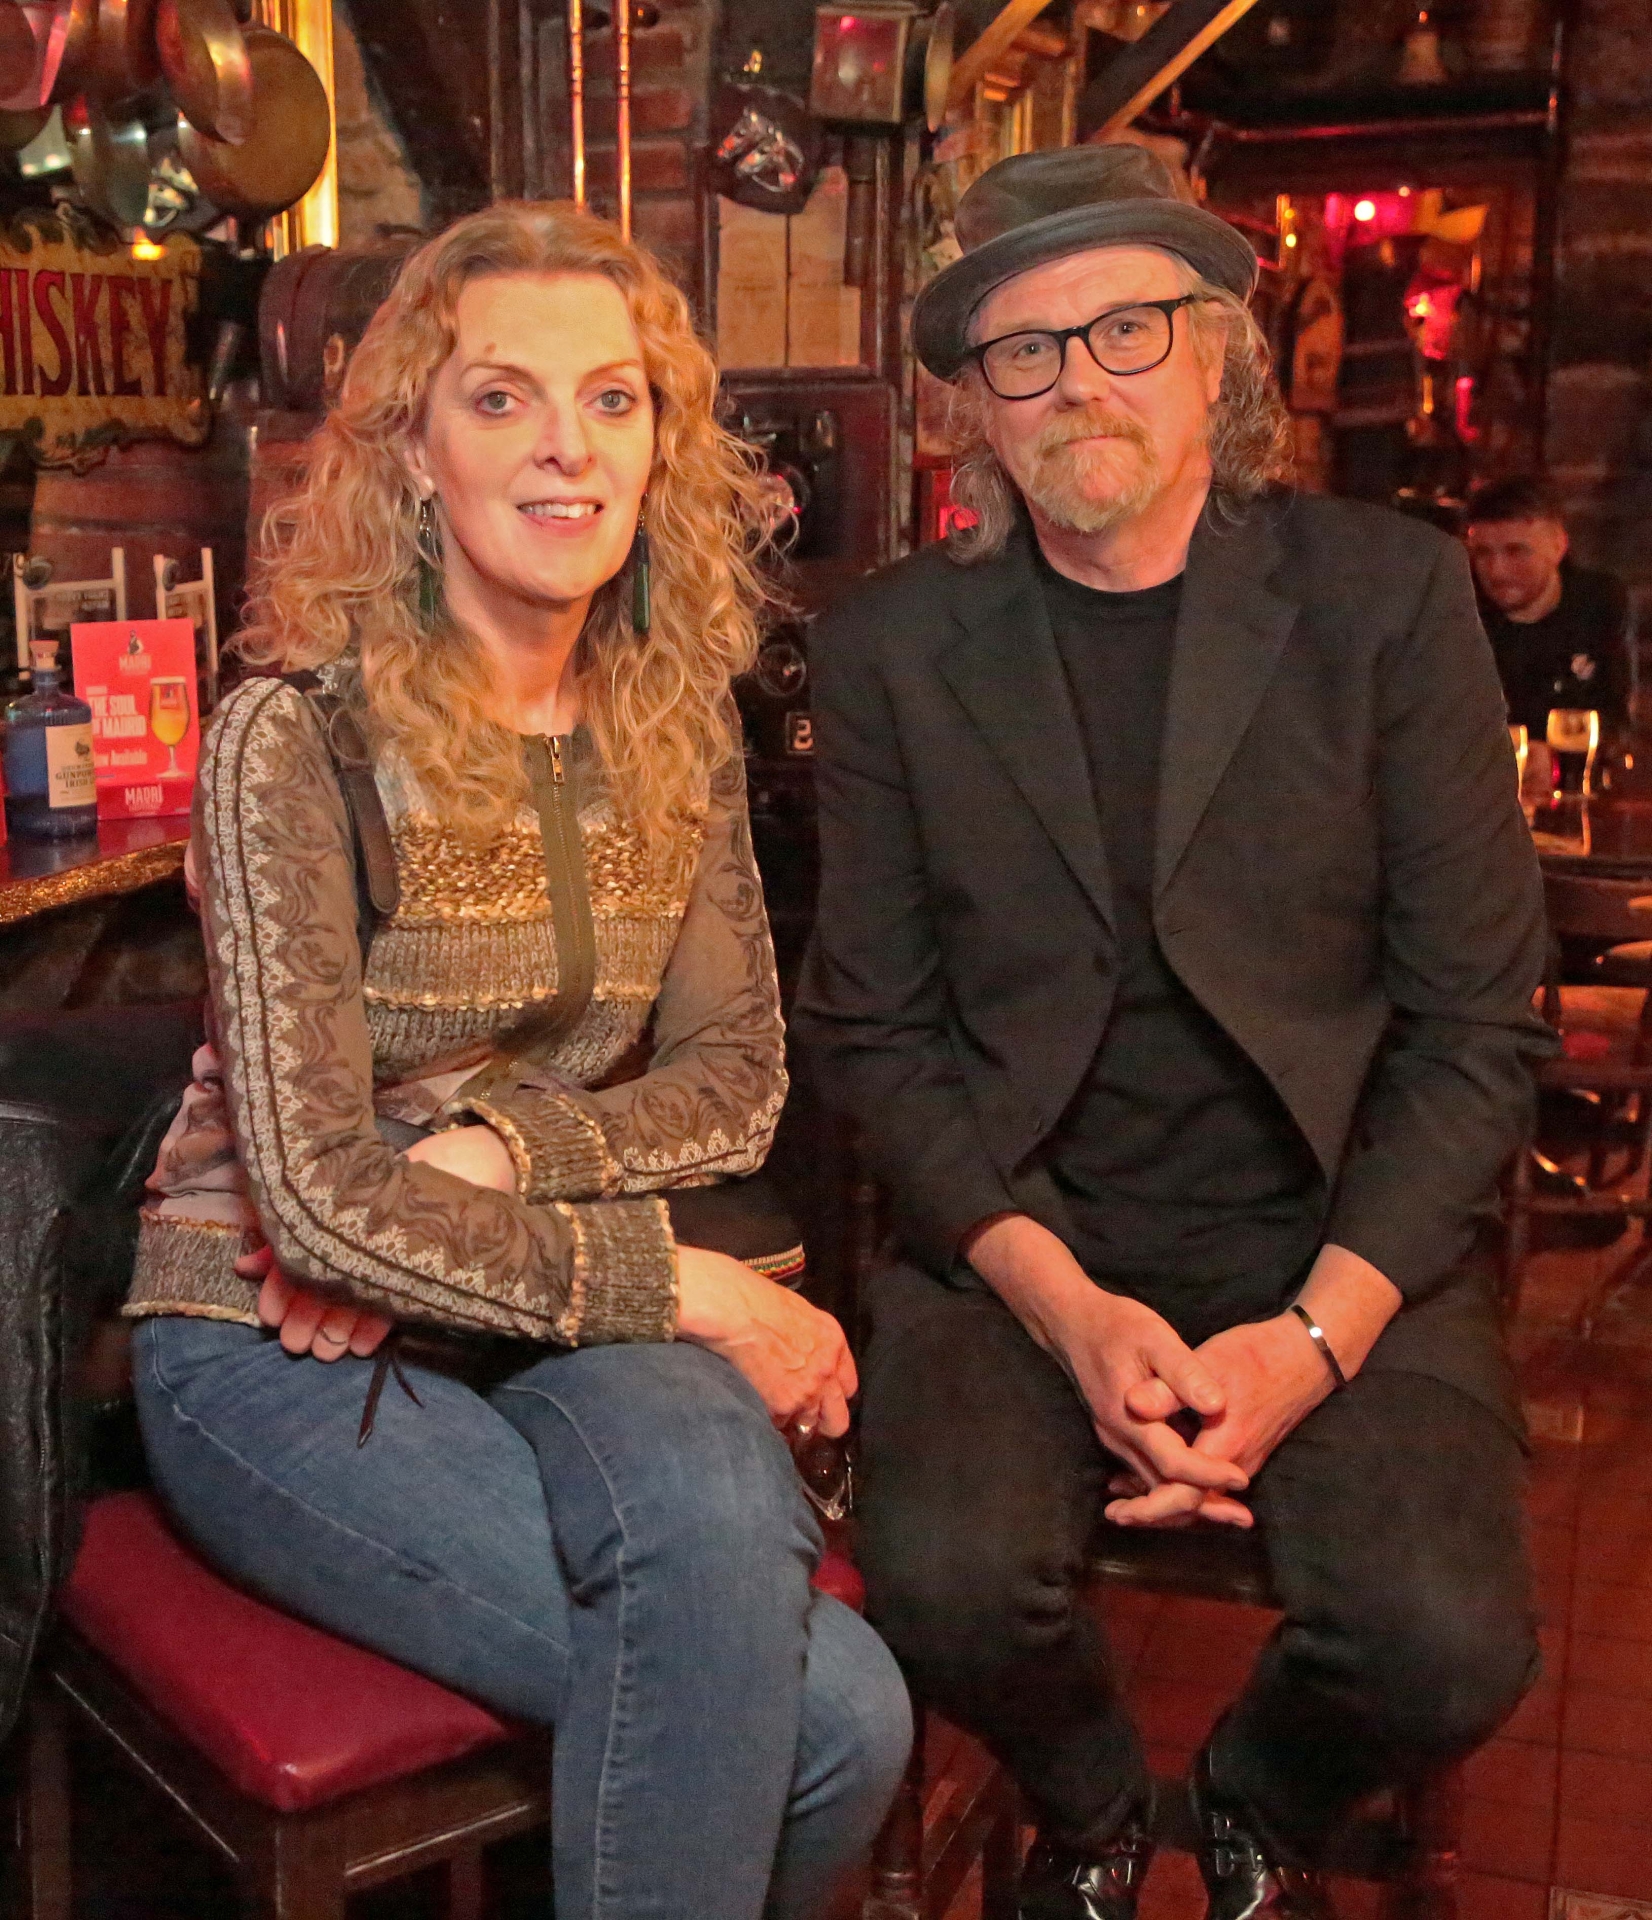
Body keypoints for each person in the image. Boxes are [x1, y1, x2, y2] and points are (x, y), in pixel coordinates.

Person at [123, 200, 909, 1920]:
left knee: (851, 1709)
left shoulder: (674, 724)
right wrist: (692, 1289)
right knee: (824, 1720)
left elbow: (733, 1083)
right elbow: (315, 1210)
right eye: (501, 398)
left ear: (660, 445)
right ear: (413, 449)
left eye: (612, 399)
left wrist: (485, 1149)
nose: (568, 446)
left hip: (535, 1303)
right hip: (267, 1335)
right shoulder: (292, 736)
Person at [792, 144, 1552, 1920]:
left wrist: (1312, 1338)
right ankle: (1090, 1813)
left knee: (1447, 1643)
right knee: (943, 1582)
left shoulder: (1385, 598)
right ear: (978, 407)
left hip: (1332, 1221)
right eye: (1024, 350)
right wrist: (1064, 1308)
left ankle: (1252, 1801)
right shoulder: (892, 648)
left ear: (1216, 351)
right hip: (1026, 1228)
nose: (1077, 382)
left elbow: (1472, 1028)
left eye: (1124, 328)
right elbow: (874, 1031)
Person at [1464, 472, 1633, 732]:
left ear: (1558, 545)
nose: (1497, 571)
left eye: (1516, 551)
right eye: (1482, 553)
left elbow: (1617, 717)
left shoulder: (1598, 602)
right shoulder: (1459, 611)